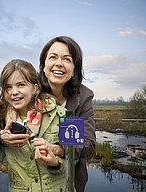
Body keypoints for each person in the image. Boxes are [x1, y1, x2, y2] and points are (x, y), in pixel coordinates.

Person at [0, 59, 67, 192]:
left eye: (21, 85)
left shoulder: (65, 115)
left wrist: (55, 163)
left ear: (35, 88)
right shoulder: (1, 120)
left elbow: (75, 161)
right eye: (8, 87)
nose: (13, 92)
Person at [38, 36, 96, 192]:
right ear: (44, 65)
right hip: (36, 178)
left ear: (74, 69)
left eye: (67, 59)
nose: (59, 63)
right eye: (53, 57)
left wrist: (59, 149)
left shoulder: (83, 96)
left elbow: (88, 143)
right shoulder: (32, 91)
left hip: (71, 180)